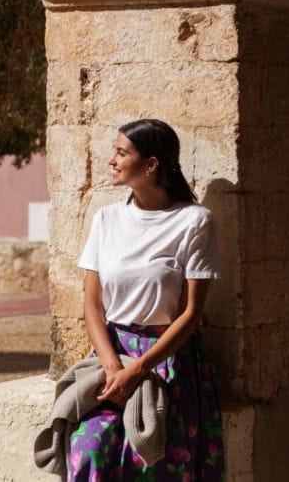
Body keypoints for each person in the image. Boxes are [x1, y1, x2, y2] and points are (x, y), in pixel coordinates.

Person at [66, 118, 225, 481]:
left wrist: (139, 370)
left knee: (152, 465)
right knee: (88, 451)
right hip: (113, 354)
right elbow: (93, 306)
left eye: (121, 153)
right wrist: (113, 368)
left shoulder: (194, 222)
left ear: (151, 164)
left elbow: (191, 313)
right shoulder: (106, 219)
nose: (112, 160)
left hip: (168, 360)